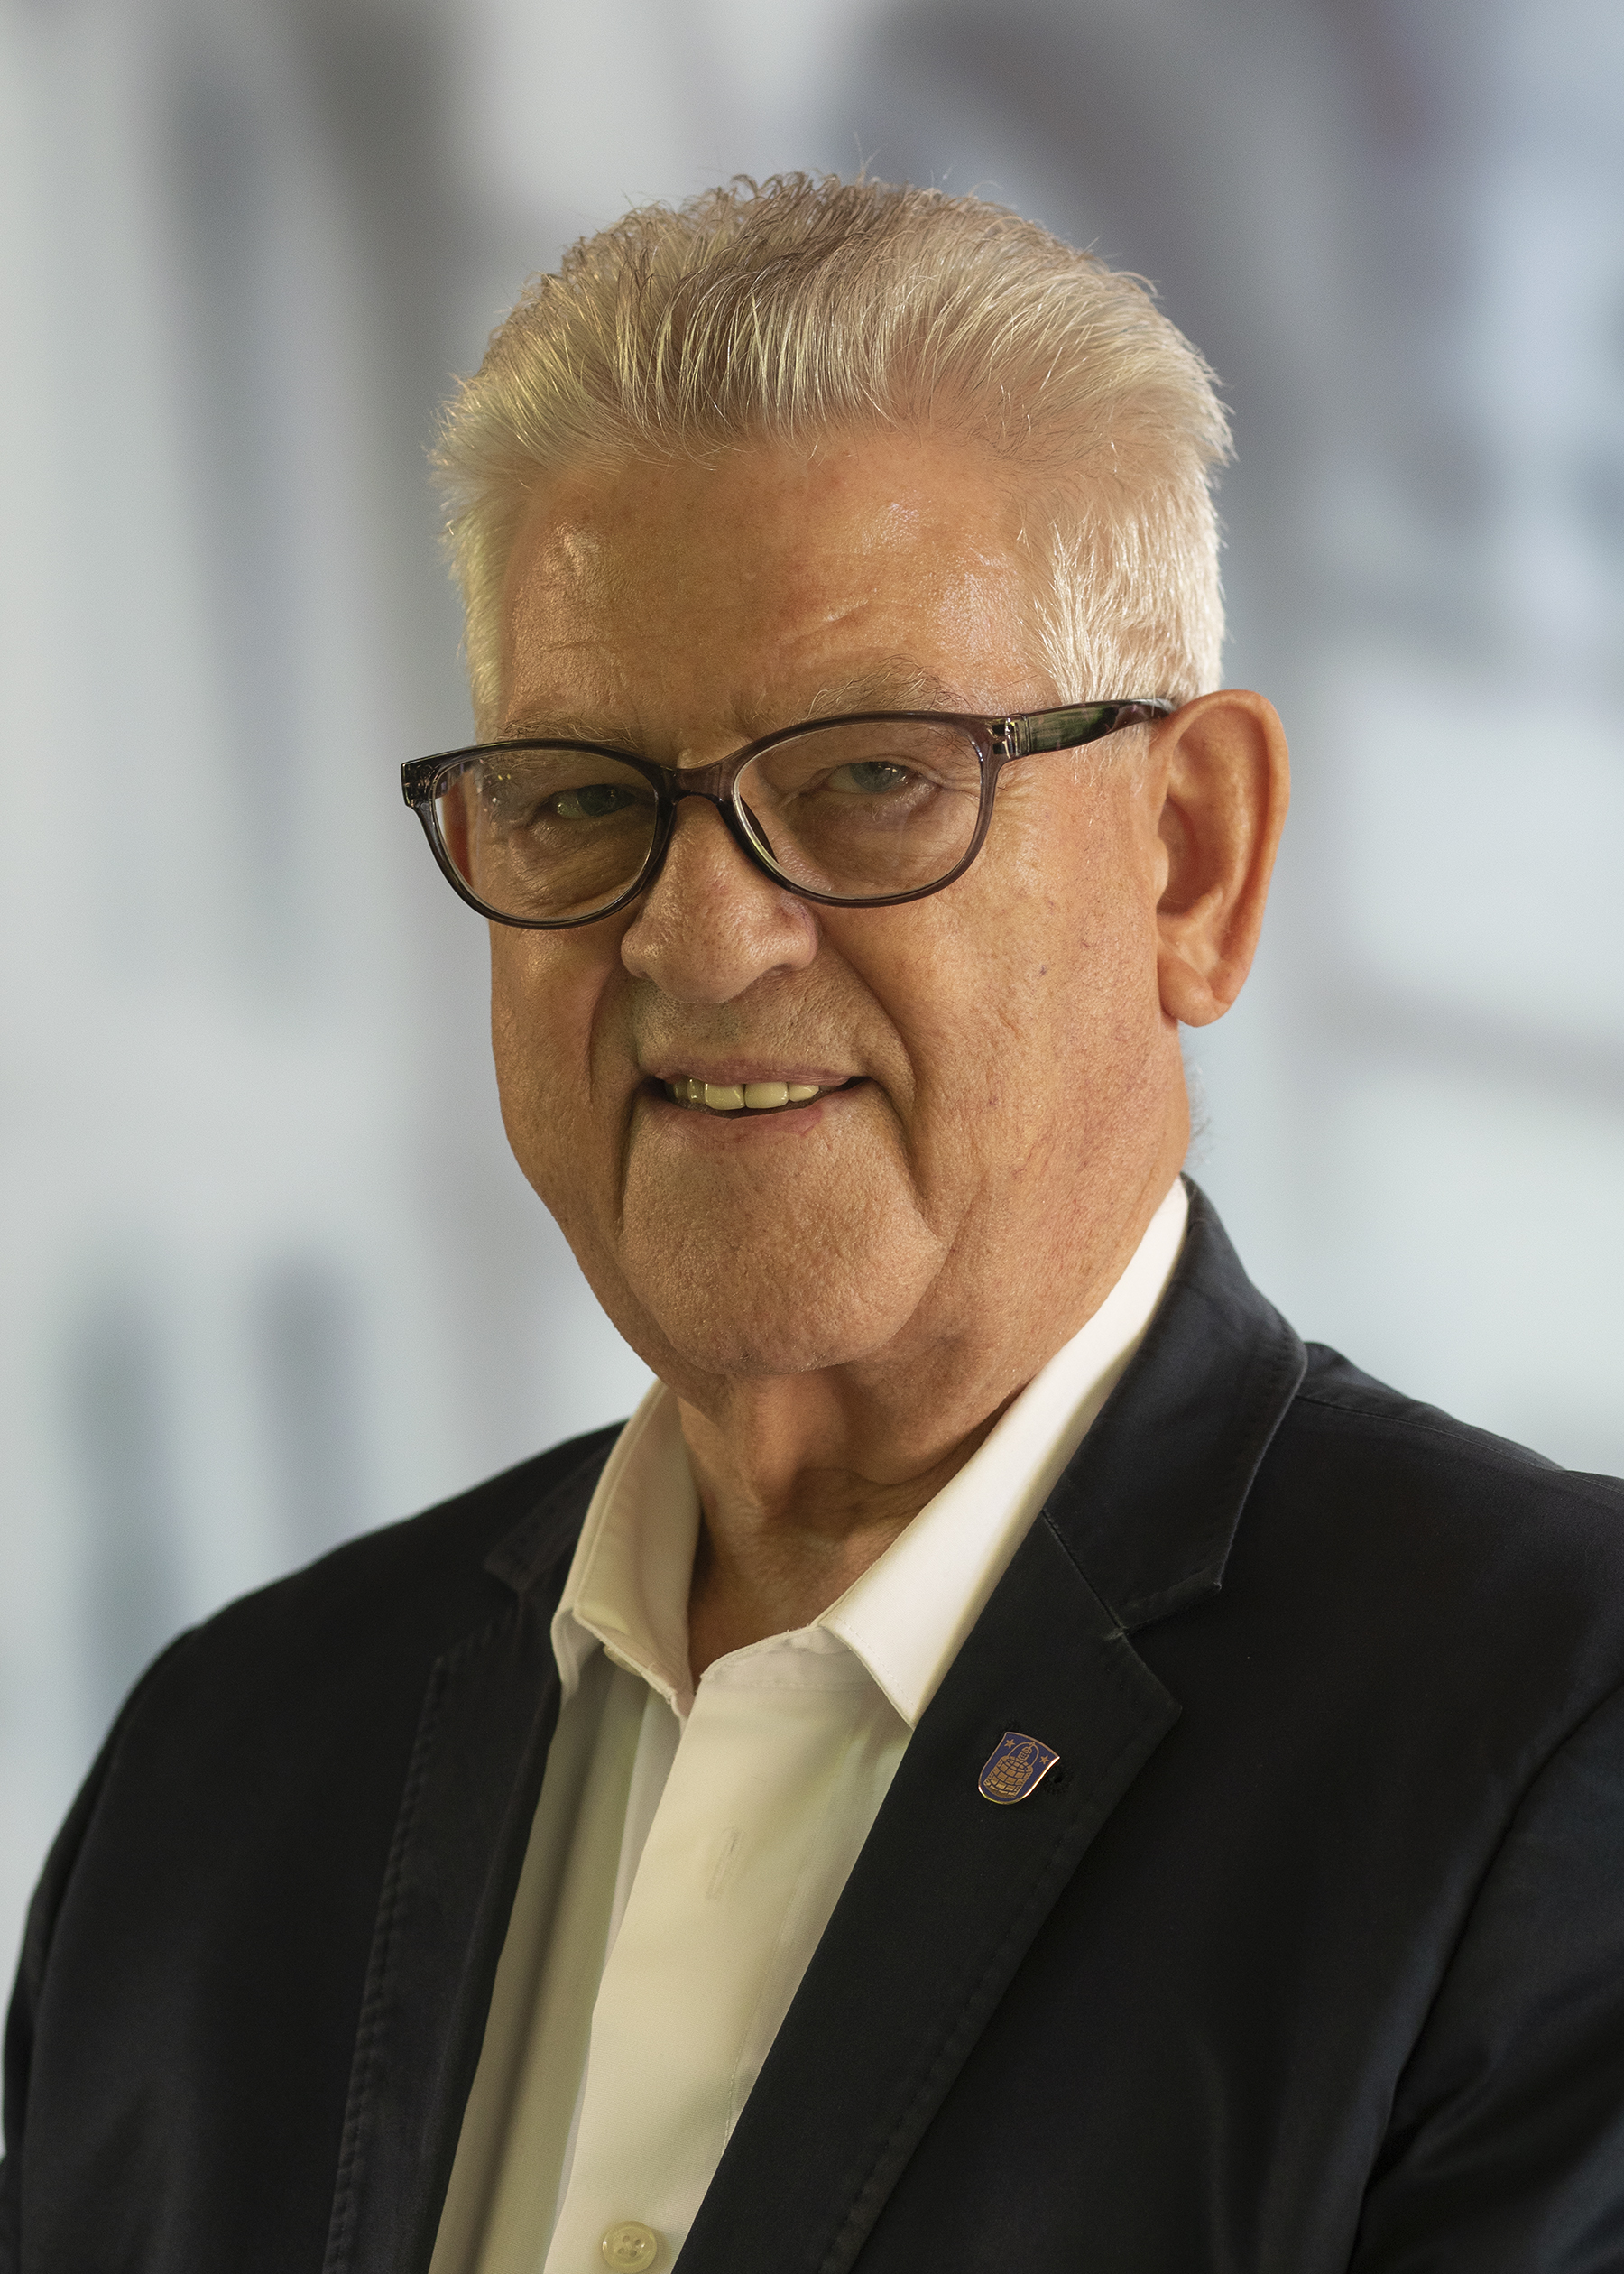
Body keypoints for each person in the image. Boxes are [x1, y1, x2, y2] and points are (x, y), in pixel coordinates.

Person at [4, 174, 1622, 2274]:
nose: (701, 936)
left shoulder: (1553, 1745)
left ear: (1192, 863)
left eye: (871, 777)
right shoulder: (221, 1773)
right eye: (579, 795)